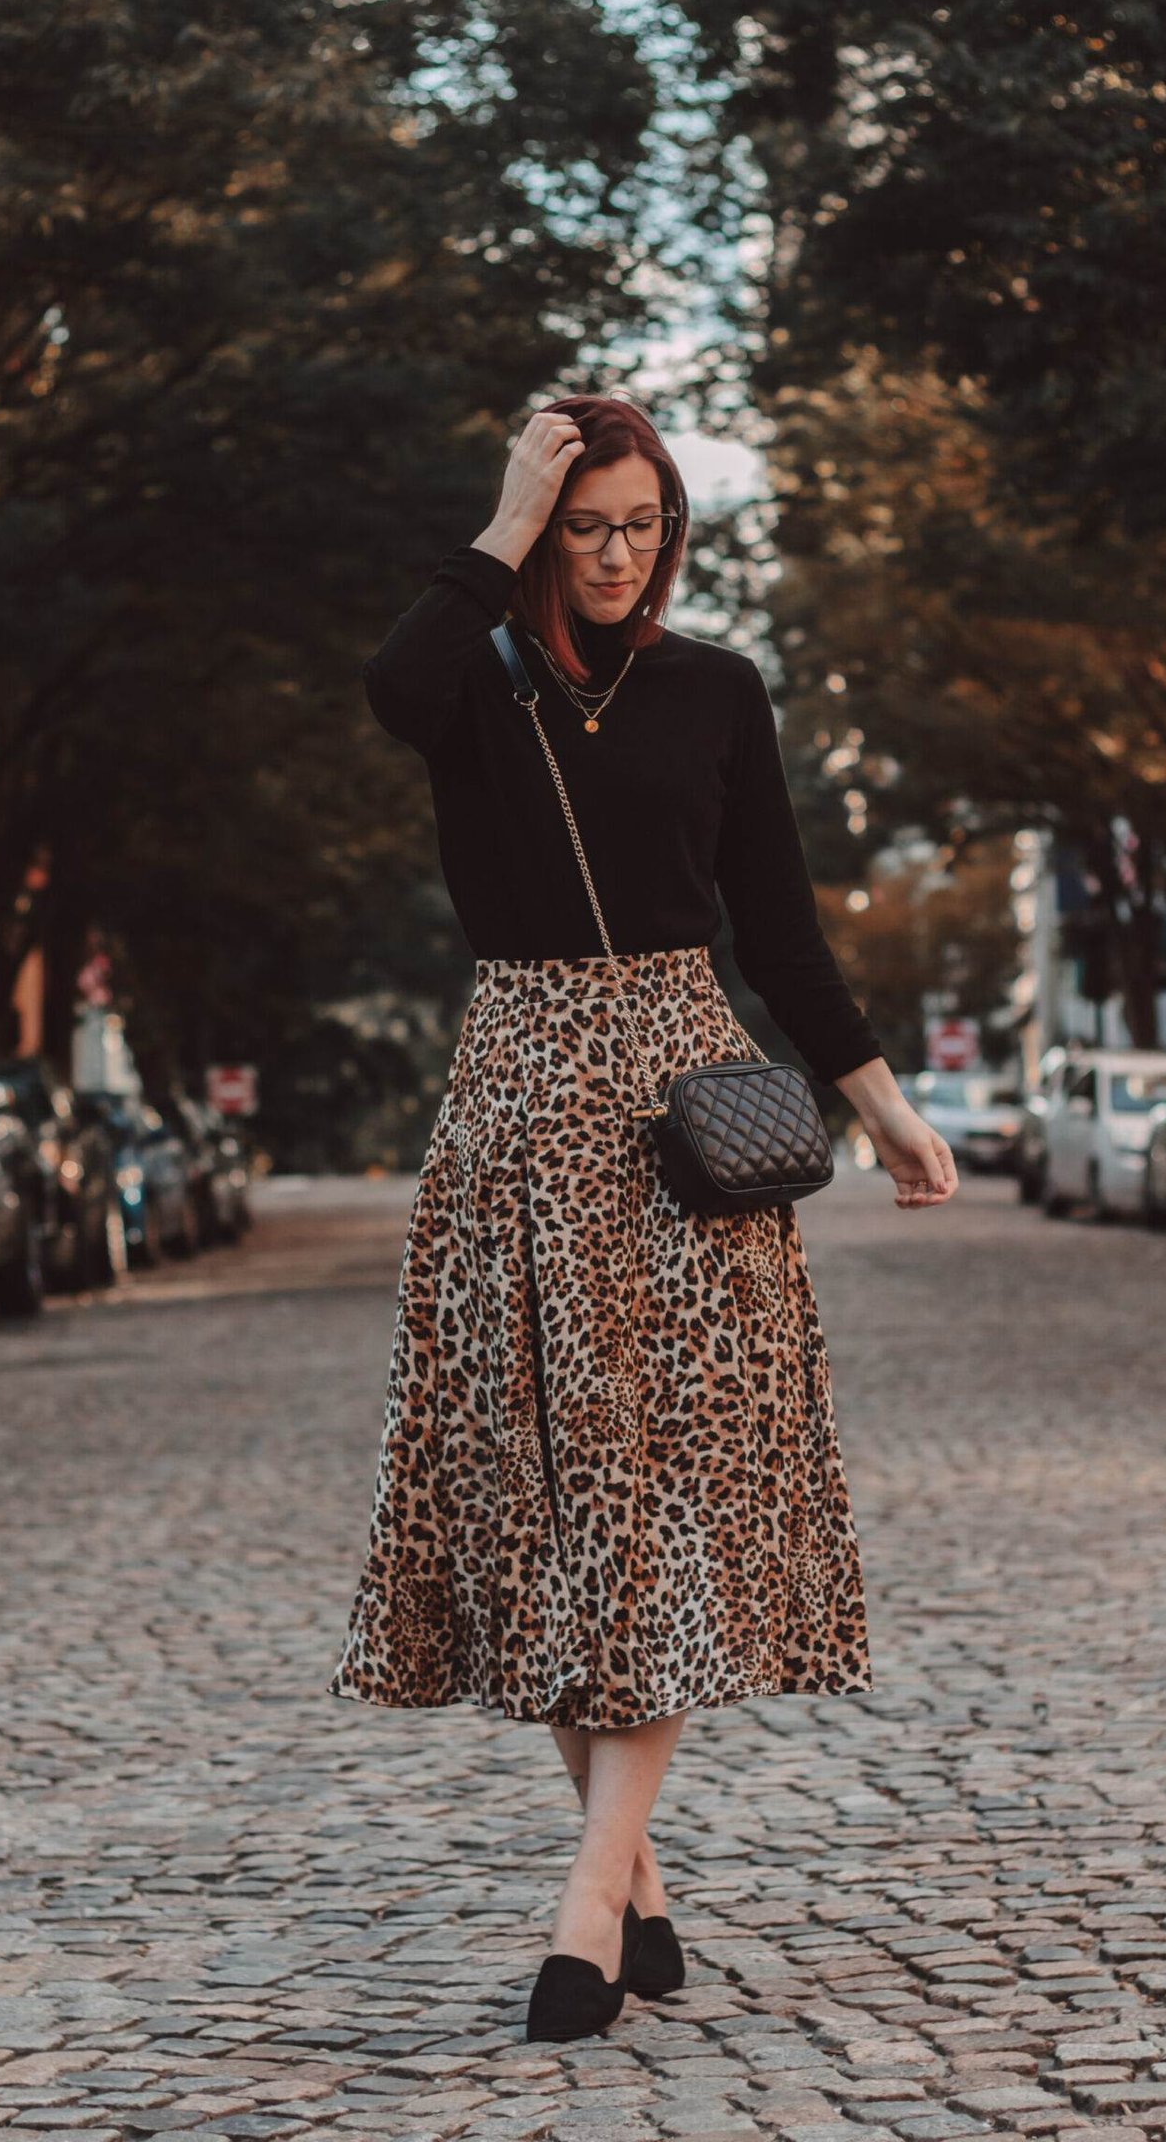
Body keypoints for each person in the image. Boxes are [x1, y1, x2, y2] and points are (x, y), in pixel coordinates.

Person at [327, 395, 958, 2041]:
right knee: (547, 1503)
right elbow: (389, 686)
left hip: (690, 1114)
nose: (618, 557)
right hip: (517, 1104)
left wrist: (879, 1100)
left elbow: (784, 929)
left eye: (642, 527)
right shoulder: (474, 679)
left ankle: (590, 1897)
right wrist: (498, 521)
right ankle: (642, 1882)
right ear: (545, 526)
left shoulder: (720, 691)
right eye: (586, 525)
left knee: (663, 1501)